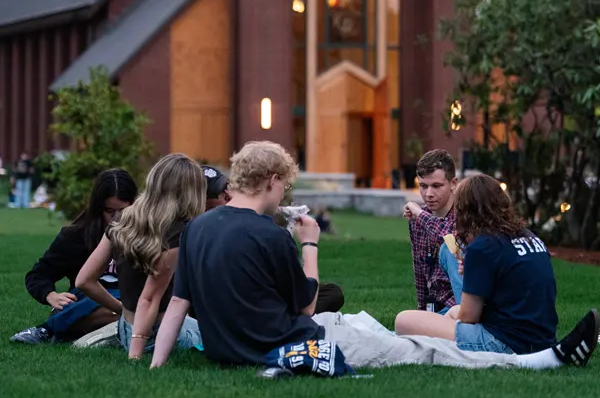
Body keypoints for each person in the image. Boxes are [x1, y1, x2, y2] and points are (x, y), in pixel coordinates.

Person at [149, 140, 598, 372]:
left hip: (242, 349)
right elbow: (306, 305)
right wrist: (309, 243)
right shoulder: (269, 236)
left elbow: (176, 307)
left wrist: (149, 363)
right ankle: (537, 361)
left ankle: (528, 355)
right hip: (300, 342)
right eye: (285, 184)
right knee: (419, 349)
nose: (286, 192)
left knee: (372, 323)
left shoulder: (197, 229)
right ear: (269, 180)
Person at [395, 174, 565, 355]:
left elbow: (469, 317)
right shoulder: (529, 236)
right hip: (542, 339)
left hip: (504, 342)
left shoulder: (483, 245)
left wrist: (455, 314)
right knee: (451, 311)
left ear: (466, 209)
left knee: (404, 320)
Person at [76, 153, 205, 359]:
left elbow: (84, 280)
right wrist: (135, 355)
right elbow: (149, 298)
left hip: (126, 327)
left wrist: (122, 309)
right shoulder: (179, 234)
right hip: (154, 335)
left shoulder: (123, 219)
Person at [10, 169, 138, 344]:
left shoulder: (145, 236)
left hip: (127, 298)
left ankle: (52, 329)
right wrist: (50, 295)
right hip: (88, 301)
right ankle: (114, 329)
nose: (117, 219)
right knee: (87, 303)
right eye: (110, 211)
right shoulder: (76, 235)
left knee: (136, 304)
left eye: (123, 211)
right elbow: (38, 274)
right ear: (98, 208)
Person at [201, 164, 344, 313]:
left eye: (227, 186)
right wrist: (309, 244)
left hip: (248, 300)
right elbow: (306, 307)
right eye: (218, 193)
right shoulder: (204, 230)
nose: (228, 194)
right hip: (241, 308)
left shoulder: (206, 226)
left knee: (332, 292)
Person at [404, 149, 462, 314]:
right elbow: (420, 272)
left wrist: (419, 214)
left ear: (453, 184)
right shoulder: (418, 219)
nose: (428, 194)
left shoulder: (465, 214)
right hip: (435, 306)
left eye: (436, 186)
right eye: (423, 186)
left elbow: (447, 236)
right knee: (405, 325)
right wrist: (422, 312)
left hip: (461, 307)